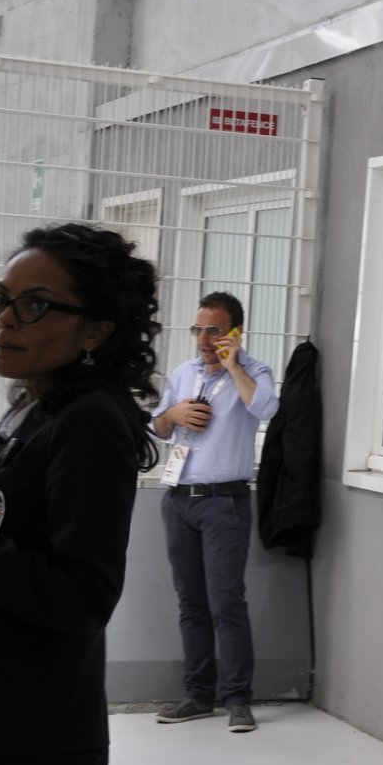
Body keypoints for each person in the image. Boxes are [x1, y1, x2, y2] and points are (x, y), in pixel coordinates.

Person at [0, 222, 161, 765]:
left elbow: (82, 597)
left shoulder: (91, 425)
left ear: (95, 330)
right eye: (2, 299)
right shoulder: (33, 404)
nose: (6, 321)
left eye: (35, 305)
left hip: (25, 755)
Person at [150, 292, 279, 733]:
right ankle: (198, 695)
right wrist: (175, 413)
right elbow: (156, 425)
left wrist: (232, 366)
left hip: (225, 502)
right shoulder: (183, 374)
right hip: (179, 500)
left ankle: (238, 699)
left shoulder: (254, 372)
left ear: (236, 333)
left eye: (215, 330)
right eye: (199, 329)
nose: (205, 339)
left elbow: (265, 408)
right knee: (191, 604)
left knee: (226, 603)